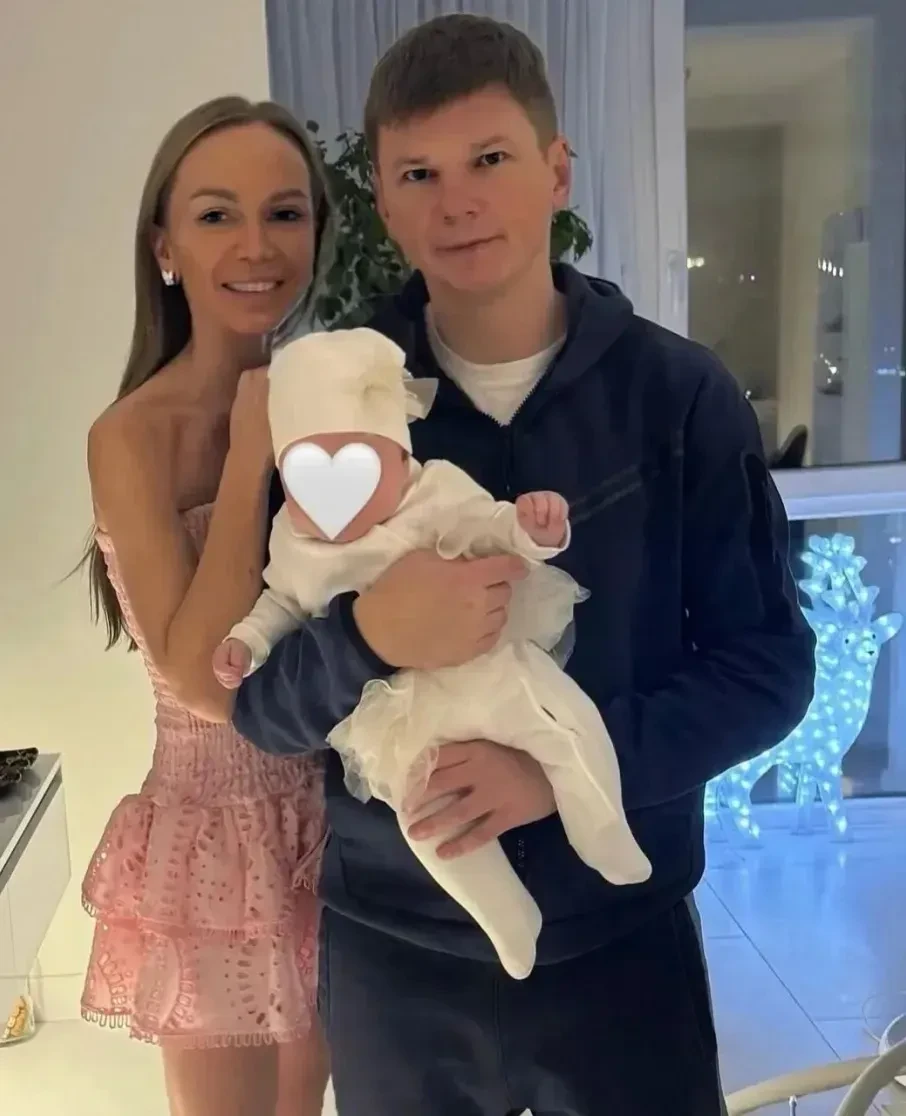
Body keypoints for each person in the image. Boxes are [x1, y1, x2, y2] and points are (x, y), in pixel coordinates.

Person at [234, 14, 816, 1116]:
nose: (458, 201)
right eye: (420, 173)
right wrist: (368, 637)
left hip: (622, 949)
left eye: (490, 159)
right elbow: (260, 707)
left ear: (557, 170)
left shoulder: (677, 397)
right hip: (395, 951)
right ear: (384, 201)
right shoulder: (326, 404)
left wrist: (561, 772)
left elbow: (769, 670)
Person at [213, 326, 649, 980]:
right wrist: (245, 643)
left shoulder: (432, 494)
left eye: (361, 468)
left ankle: (603, 828)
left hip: (481, 665)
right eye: (306, 474)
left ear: (402, 462)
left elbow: (490, 526)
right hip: (392, 712)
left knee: (562, 723)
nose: (333, 499)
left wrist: (530, 530)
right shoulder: (293, 537)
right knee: (427, 819)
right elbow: (280, 603)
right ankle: (505, 915)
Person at [78, 97, 334, 1116]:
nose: (256, 245)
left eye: (285, 213)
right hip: (210, 835)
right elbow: (201, 675)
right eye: (218, 214)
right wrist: (249, 449)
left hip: (329, 815)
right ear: (165, 248)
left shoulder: (332, 401)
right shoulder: (130, 435)